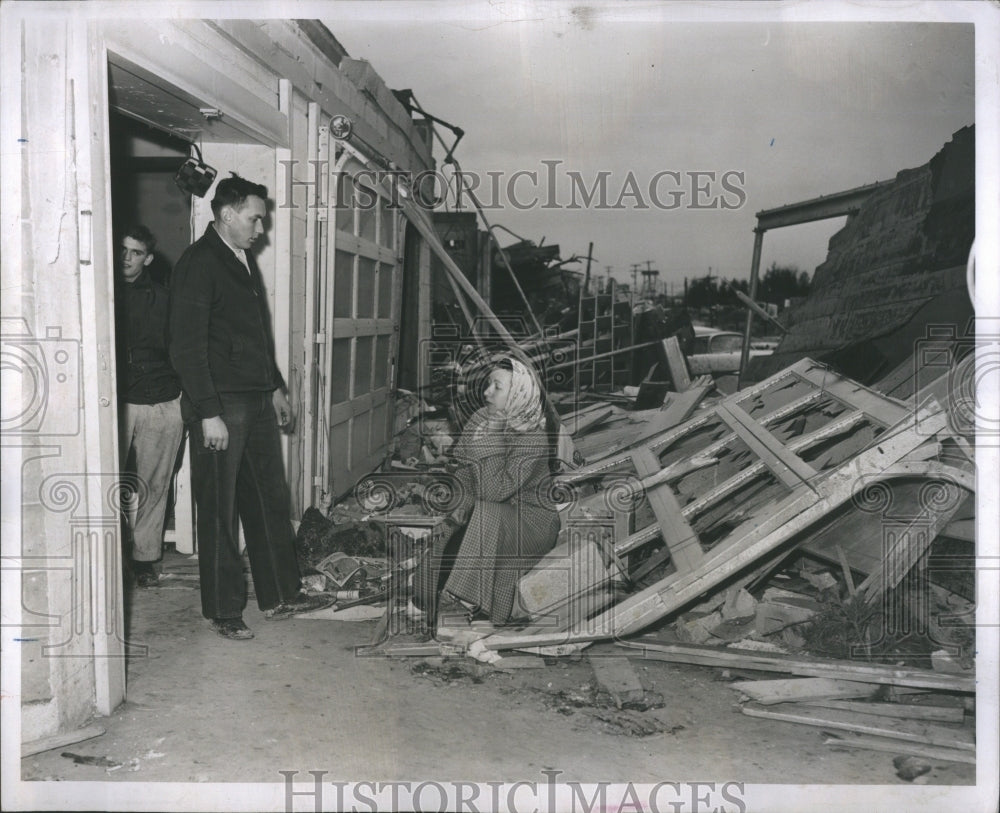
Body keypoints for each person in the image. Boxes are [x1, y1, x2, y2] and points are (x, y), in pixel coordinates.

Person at [169, 174, 329, 640]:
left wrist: (275, 386)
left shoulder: (240, 258)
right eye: (256, 218)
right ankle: (223, 608)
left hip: (255, 398)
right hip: (221, 404)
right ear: (227, 214)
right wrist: (207, 411)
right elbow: (186, 347)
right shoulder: (198, 264)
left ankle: (281, 592)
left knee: (268, 500)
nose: (261, 228)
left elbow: (256, 332)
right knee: (219, 508)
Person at [413, 355, 561, 627]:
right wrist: (459, 510)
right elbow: (461, 469)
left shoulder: (533, 437)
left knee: (486, 513)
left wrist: (490, 436)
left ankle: (463, 600)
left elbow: (495, 492)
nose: (486, 392)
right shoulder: (482, 417)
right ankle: (453, 595)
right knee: (423, 590)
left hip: (529, 521)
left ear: (519, 393)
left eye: (497, 387)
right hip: (483, 510)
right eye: (488, 384)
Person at [115, 225, 184, 587]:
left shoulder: (165, 298)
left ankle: (144, 559)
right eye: (123, 250)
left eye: (136, 252)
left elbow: (182, 350)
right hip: (114, 402)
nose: (127, 258)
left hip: (161, 400)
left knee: (155, 485)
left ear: (149, 259)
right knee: (103, 482)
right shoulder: (97, 294)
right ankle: (110, 555)